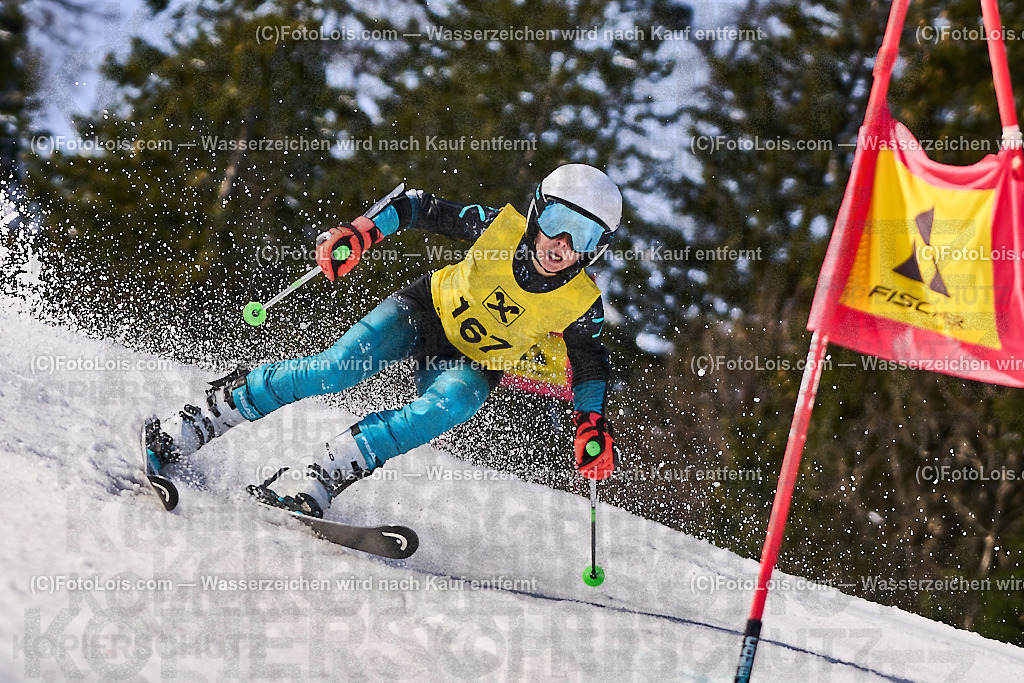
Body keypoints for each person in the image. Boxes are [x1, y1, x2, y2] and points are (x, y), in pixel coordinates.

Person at [143, 163, 620, 517]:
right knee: (336, 369)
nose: (563, 244)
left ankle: (320, 474)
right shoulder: (498, 228)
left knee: (448, 407)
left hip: (472, 361)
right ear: (537, 211)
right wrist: (362, 233)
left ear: (596, 247)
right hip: (423, 311)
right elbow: (417, 206)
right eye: (559, 221)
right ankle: (201, 417)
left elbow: (590, 365)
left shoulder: (582, 303)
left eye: (583, 234)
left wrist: (591, 423)